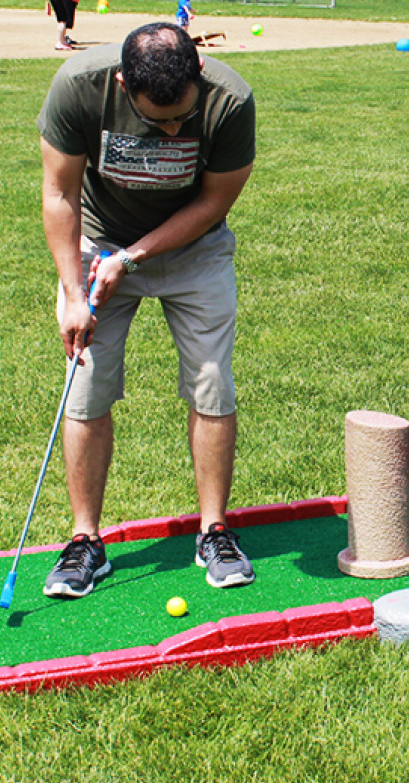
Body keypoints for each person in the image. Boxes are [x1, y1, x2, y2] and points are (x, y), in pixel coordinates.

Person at [36, 22, 256, 599]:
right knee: (84, 390)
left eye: (182, 116)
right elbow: (59, 195)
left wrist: (131, 259)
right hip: (97, 242)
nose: (175, 129)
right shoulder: (79, 86)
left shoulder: (230, 101)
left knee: (212, 383)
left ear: (199, 74)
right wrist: (75, 292)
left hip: (194, 248)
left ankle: (214, 531)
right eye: (158, 122)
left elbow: (214, 200)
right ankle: (86, 541)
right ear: (121, 83)